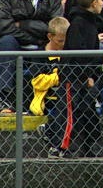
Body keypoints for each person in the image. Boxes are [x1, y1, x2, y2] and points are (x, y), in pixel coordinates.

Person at [0, 0, 62, 113]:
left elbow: (56, 26)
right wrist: (35, 36)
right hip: (17, 42)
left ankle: (46, 99)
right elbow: (3, 27)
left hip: (43, 43)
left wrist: (25, 24)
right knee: (6, 42)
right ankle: (4, 99)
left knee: (55, 41)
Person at [62, 0, 103, 157]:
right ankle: (69, 147)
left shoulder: (91, 23)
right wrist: (100, 60)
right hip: (74, 80)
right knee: (75, 114)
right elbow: (78, 54)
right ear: (94, 3)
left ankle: (90, 146)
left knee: (88, 112)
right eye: (101, 0)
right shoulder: (78, 24)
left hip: (86, 78)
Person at [29, 17, 70, 158]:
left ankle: (53, 137)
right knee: (57, 113)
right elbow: (37, 81)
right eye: (60, 41)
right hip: (47, 100)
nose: (63, 44)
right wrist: (59, 77)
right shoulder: (40, 55)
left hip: (66, 97)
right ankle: (54, 142)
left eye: (66, 40)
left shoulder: (69, 54)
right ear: (50, 36)